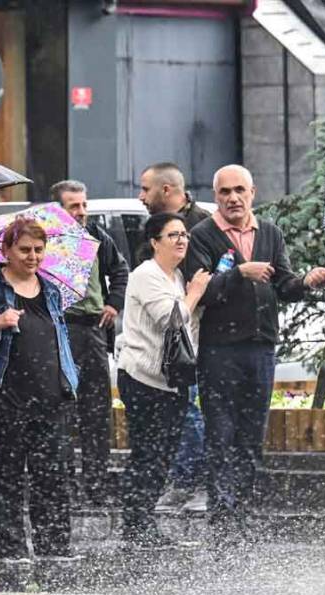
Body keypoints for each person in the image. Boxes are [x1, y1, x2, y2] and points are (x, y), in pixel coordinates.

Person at [184, 164, 325, 545]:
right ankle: (221, 517)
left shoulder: (270, 232)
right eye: (224, 192)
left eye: (239, 191)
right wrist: (239, 274)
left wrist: (306, 281)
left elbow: (283, 284)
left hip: (261, 347)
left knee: (250, 436)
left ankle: (242, 511)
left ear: (253, 192)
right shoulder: (202, 235)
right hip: (220, 350)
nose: (233, 198)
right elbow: (202, 292)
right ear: (216, 196)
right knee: (221, 433)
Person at [0, 218, 79, 569]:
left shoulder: (50, 289)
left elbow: (60, 338)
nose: (33, 256)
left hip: (51, 399)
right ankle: (12, 549)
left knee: (52, 477)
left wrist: (70, 380)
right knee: (5, 478)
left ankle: (53, 544)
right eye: (24, 249)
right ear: (6, 249)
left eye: (39, 250)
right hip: (3, 400)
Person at [117, 213, 210, 548]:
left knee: (162, 454)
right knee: (147, 453)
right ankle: (135, 524)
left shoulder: (175, 275)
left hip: (170, 380)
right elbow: (171, 319)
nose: (181, 240)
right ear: (155, 242)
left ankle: (142, 519)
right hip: (143, 379)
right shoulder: (146, 275)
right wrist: (196, 292)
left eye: (184, 234)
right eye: (172, 235)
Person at [137, 162, 212, 515]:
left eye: (145, 188)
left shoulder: (201, 226)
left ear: (166, 190)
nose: (141, 196)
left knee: (190, 412)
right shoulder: (152, 230)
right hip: (164, 339)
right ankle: (182, 480)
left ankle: (193, 482)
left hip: (193, 336)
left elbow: (205, 282)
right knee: (180, 414)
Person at [50, 180, 129, 508]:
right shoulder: (46, 239)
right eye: (74, 206)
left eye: (84, 205)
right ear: (59, 209)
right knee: (61, 411)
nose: (81, 212)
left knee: (96, 412)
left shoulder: (97, 236)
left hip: (93, 330)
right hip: (59, 331)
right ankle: (64, 484)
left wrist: (113, 303)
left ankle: (96, 483)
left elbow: (121, 270)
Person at [138, 162, 210, 229]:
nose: (141, 197)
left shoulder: (207, 225)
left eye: (146, 190)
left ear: (166, 190)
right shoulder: (151, 225)